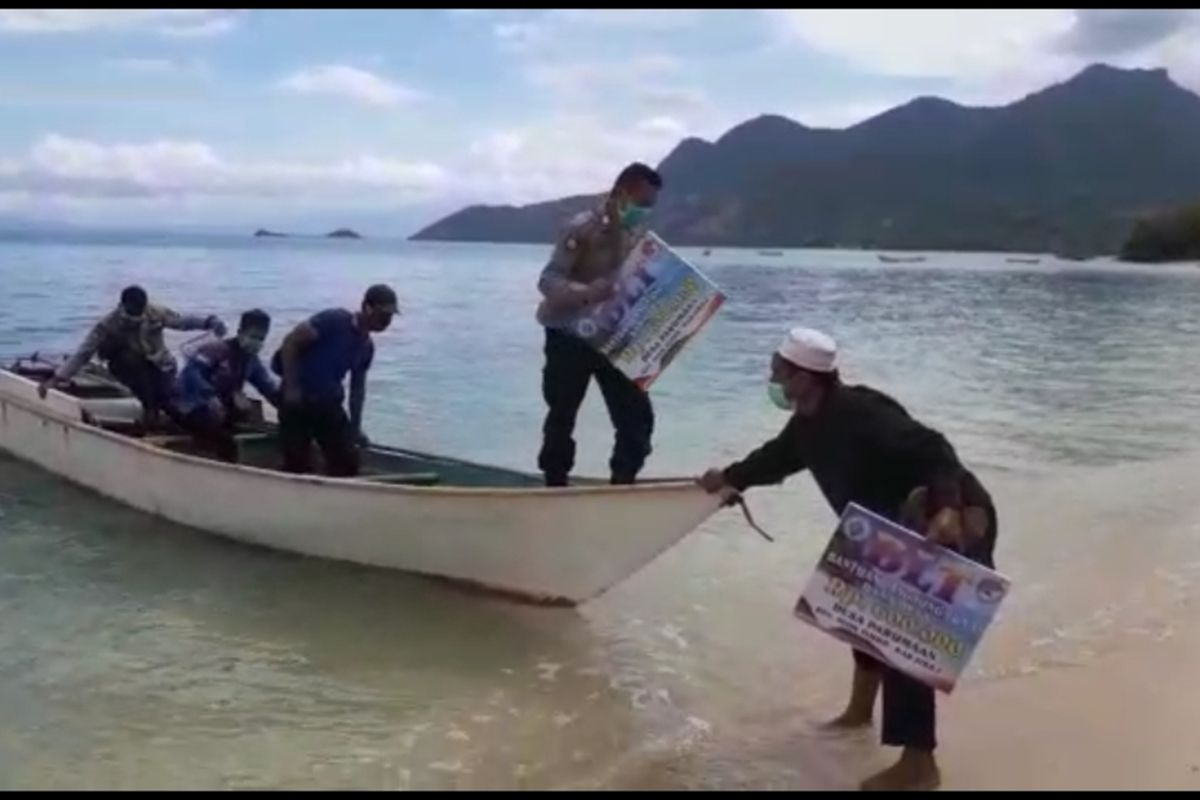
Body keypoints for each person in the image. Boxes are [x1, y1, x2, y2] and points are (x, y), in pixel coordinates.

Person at [698, 327, 997, 792]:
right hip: (885, 528)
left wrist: (945, 510)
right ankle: (859, 714)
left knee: (906, 637)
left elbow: (935, 449)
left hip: (948, 516)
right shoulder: (807, 423)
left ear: (805, 378)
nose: (771, 378)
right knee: (863, 613)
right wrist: (731, 478)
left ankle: (920, 766)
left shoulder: (862, 412)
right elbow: (776, 458)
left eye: (779, 371)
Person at [535, 161, 663, 487]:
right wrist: (586, 292)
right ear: (621, 193)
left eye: (650, 206)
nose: (644, 211)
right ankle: (555, 484)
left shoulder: (638, 236)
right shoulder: (581, 228)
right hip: (569, 334)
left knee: (637, 418)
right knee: (562, 416)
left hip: (613, 336)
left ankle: (622, 483)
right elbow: (548, 280)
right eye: (641, 203)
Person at [38, 285, 226, 425]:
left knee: (172, 403)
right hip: (131, 368)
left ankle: (199, 425)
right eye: (132, 312)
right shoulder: (108, 324)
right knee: (131, 363)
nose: (136, 317)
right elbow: (83, 353)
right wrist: (56, 379)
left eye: (140, 312)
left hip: (161, 366)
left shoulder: (155, 313)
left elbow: (182, 321)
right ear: (123, 306)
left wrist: (209, 321)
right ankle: (149, 407)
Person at [271, 284, 397, 477]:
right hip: (298, 401)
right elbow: (291, 343)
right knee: (296, 464)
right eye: (383, 314)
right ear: (367, 307)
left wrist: (355, 428)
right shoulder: (334, 320)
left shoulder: (366, 347)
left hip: (328, 404)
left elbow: (357, 390)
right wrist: (292, 388)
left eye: (390, 316)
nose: (387, 321)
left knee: (348, 463)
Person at [174, 308, 281, 462]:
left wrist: (286, 406)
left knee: (250, 416)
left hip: (221, 408)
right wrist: (209, 395)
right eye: (253, 336)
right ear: (240, 332)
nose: (256, 342)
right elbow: (191, 374)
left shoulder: (251, 361)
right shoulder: (215, 350)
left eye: (261, 339)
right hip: (191, 404)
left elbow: (267, 387)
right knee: (225, 441)